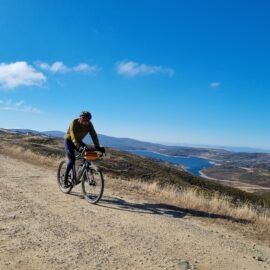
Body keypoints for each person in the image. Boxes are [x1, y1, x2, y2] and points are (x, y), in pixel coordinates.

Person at [63, 111, 105, 186]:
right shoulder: (74, 122)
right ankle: (65, 180)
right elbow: (73, 137)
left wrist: (97, 147)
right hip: (69, 140)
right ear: (80, 118)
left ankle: (84, 173)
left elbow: (94, 136)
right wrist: (80, 147)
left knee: (88, 153)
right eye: (84, 120)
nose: (86, 122)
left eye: (88, 120)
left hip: (78, 141)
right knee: (72, 160)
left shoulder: (89, 125)